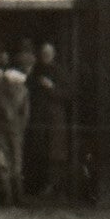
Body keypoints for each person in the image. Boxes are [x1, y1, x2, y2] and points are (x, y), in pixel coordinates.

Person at [25, 42, 69, 199]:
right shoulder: (36, 71)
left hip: (54, 119)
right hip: (39, 117)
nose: (46, 56)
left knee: (54, 153)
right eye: (43, 53)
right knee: (39, 151)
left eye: (48, 53)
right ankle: (37, 186)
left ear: (53, 54)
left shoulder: (59, 72)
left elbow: (67, 94)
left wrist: (51, 87)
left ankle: (54, 187)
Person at [0, 47, 32, 206]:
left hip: (1, 128)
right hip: (16, 130)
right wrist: (21, 127)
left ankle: (6, 198)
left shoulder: (0, 87)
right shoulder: (23, 90)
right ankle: (18, 198)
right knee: (16, 163)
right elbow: (25, 113)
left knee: (3, 162)